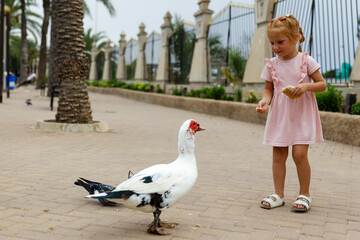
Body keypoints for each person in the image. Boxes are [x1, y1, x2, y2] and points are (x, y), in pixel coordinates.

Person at [256, 14, 326, 212]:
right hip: (280, 115)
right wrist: (264, 101)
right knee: (278, 155)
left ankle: (305, 194)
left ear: (296, 38)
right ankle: (278, 194)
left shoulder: (306, 60)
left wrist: (305, 87)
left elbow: (322, 85)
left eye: (280, 42)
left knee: (299, 154)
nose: (276, 47)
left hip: (302, 114)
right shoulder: (272, 64)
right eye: (272, 43)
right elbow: (268, 89)